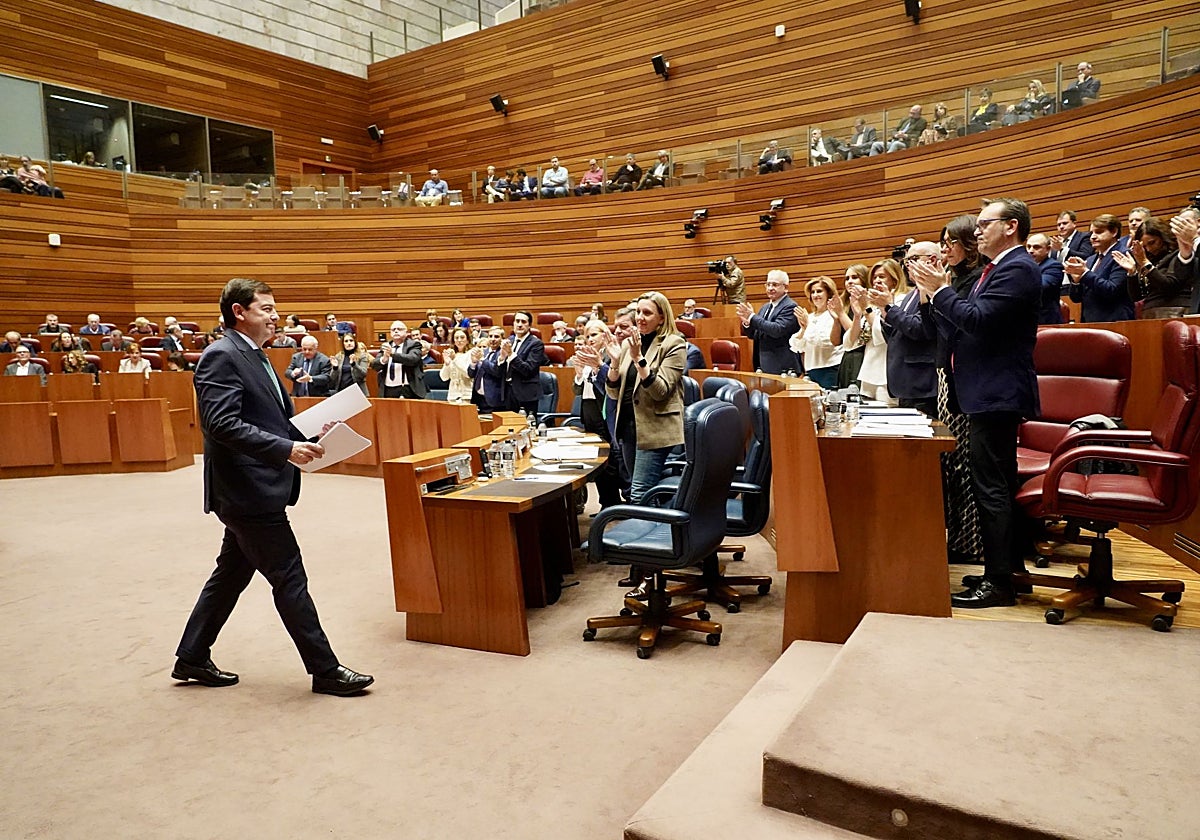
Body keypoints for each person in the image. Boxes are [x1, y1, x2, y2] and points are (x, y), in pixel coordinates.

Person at [172, 277, 372, 696]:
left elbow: (267, 417)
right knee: (290, 576)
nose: (276, 316)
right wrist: (284, 449)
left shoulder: (256, 355)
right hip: (247, 490)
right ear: (238, 312)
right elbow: (221, 424)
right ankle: (326, 669)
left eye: (275, 308)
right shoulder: (220, 356)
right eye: (266, 308)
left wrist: (315, 429)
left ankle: (191, 656)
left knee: (230, 573)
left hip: (255, 486)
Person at [912, 198, 1040, 608]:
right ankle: (1007, 570)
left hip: (995, 392)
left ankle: (999, 582)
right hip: (983, 390)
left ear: (1012, 227)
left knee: (991, 487)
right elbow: (958, 323)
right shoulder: (996, 268)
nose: (979, 230)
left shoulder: (1018, 268)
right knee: (996, 482)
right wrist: (932, 298)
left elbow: (979, 320)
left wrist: (943, 291)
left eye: (987, 223)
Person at [604, 292, 686, 597]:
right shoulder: (629, 343)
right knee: (637, 493)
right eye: (638, 312)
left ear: (662, 317)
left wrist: (638, 359)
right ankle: (644, 564)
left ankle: (648, 574)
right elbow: (614, 394)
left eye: (647, 313)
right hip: (627, 428)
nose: (640, 318)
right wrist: (614, 364)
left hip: (655, 430)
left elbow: (661, 391)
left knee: (639, 494)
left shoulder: (674, 345)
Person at [933, 214, 986, 565]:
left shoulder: (974, 280)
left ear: (968, 245)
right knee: (952, 464)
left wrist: (938, 292)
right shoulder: (955, 279)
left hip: (968, 380)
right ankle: (959, 540)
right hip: (948, 375)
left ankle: (973, 546)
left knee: (966, 467)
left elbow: (963, 323)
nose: (944, 249)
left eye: (950, 242)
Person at [878, 242, 940, 417]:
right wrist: (885, 313)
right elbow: (897, 333)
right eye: (906, 262)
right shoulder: (911, 294)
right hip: (905, 381)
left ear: (932, 260)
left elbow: (921, 329)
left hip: (921, 383)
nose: (907, 266)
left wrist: (890, 308)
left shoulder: (934, 290)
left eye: (913, 259)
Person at [570, 319, 623, 509]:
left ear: (604, 335)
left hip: (605, 412)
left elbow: (610, 387)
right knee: (597, 461)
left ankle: (614, 502)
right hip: (589, 411)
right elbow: (578, 390)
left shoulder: (611, 357)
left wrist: (596, 368)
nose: (590, 339)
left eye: (594, 335)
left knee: (610, 461)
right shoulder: (586, 357)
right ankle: (605, 502)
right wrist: (578, 374)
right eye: (587, 336)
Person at [1065, 213, 1134, 322]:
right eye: (1091, 233)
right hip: (1090, 321)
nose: (1092, 237)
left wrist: (1085, 273)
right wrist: (1076, 281)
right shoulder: (1091, 259)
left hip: (1114, 321)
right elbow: (1076, 298)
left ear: (1114, 232)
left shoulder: (1123, 255)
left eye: (1099, 232)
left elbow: (1112, 290)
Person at [1117, 216, 1187, 319]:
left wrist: (1145, 263)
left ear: (1163, 237)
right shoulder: (1149, 260)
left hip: (1174, 311)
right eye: (1144, 246)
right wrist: (1132, 272)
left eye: (1152, 243)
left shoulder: (1180, 254)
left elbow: (1168, 286)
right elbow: (1136, 296)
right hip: (1150, 313)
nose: (1149, 249)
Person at [845, 264, 897, 403]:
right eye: (874, 277)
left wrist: (866, 308)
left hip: (885, 373)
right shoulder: (872, 304)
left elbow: (884, 335)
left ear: (894, 279)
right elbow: (850, 343)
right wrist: (857, 316)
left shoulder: (899, 300)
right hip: (868, 372)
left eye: (882, 276)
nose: (877, 281)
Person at [738, 269, 799, 375]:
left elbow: (777, 330)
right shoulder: (765, 307)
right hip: (764, 365)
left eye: (775, 285)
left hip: (783, 367)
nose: (770, 288)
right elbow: (755, 335)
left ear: (786, 288)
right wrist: (748, 323)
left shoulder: (790, 306)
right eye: (768, 284)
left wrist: (752, 317)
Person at [499, 311, 545, 415]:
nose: (519, 324)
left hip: (526, 394)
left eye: (523, 322)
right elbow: (502, 369)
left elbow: (527, 370)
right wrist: (501, 358)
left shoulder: (536, 344)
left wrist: (511, 354)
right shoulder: (509, 340)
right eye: (517, 321)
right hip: (507, 393)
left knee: (526, 427)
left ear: (529, 325)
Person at [836, 264, 871, 388]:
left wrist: (840, 314)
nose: (850, 281)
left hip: (863, 355)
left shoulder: (869, 302)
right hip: (847, 356)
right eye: (847, 278)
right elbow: (836, 340)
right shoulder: (845, 303)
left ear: (864, 279)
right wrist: (836, 318)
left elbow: (858, 335)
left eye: (854, 277)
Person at [372, 321, 427, 399]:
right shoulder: (386, 346)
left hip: (408, 388)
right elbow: (374, 365)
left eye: (399, 329)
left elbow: (413, 359)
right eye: (393, 329)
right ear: (390, 333)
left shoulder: (414, 345)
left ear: (406, 331)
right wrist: (383, 359)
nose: (396, 331)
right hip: (388, 389)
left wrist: (392, 354)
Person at [1025, 233, 1066, 324]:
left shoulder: (1054, 266)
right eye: (1028, 247)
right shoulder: (1024, 266)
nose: (1030, 251)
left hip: (1046, 321)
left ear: (1048, 249)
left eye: (1036, 247)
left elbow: (1041, 286)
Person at [469, 326, 507, 412]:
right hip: (478, 399)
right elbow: (471, 374)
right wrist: (473, 363)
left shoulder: (502, 353)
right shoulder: (483, 351)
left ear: (502, 339)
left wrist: (482, 359)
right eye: (490, 336)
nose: (493, 339)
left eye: (496, 337)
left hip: (494, 400)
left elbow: (497, 371)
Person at [439, 327, 476, 403]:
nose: (459, 340)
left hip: (467, 395)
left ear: (468, 340)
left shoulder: (472, 353)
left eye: (462, 337)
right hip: (452, 395)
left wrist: (454, 359)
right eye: (456, 338)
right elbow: (444, 378)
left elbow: (468, 374)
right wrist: (447, 364)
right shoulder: (451, 353)